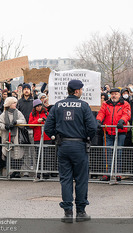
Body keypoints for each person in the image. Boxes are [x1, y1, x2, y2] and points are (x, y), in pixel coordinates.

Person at [44, 80, 97, 223]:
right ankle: (81, 212)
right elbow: (93, 127)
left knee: (65, 179)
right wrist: (87, 137)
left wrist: (56, 137)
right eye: (81, 89)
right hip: (79, 146)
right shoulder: (84, 106)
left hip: (63, 145)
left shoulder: (58, 106)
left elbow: (47, 128)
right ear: (77, 91)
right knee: (81, 179)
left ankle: (68, 212)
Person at [96, 88, 131, 181]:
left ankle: (118, 173)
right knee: (107, 153)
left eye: (115, 94)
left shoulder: (125, 104)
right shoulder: (106, 104)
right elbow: (101, 113)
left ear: (119, 95)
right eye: (112, 94)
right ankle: (107, 173)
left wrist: (122, 120)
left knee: (118, 153)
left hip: (120, 132)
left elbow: (127, 114)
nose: (114, 96)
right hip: (108, 131)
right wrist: (98, 120)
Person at [0, 97, 26, 178]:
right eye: (13, 103)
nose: (15, 104)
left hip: (17, 136)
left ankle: (18, 171)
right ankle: (11, 171)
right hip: (7, 137)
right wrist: (5, 127)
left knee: (18, 154)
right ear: (9, 104)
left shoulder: (18, 113)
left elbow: (23, 121)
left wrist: (16, 122)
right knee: (9, 154)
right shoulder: (4, 114)